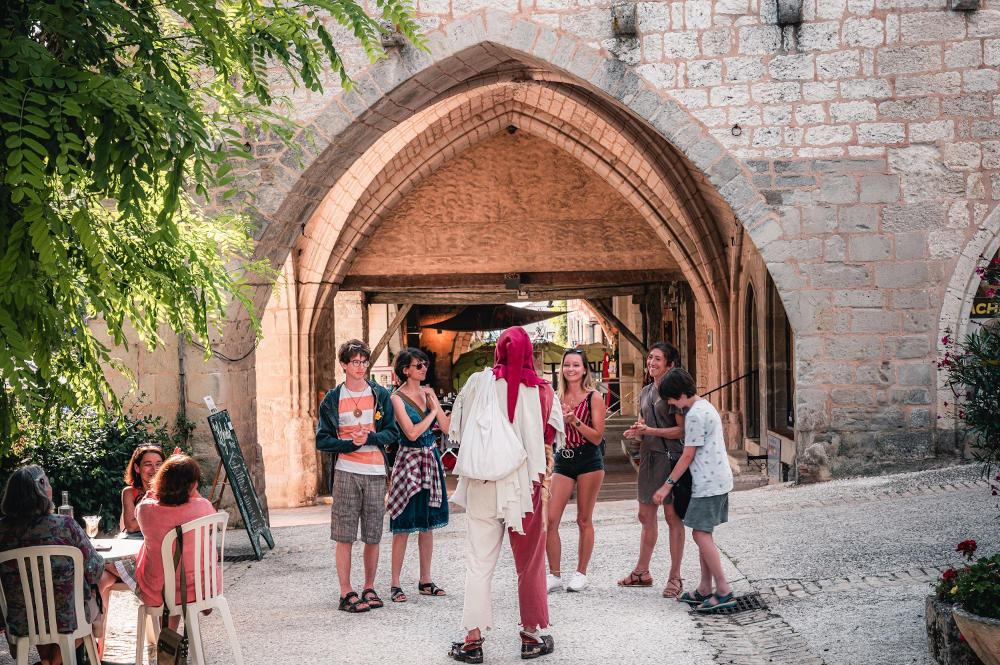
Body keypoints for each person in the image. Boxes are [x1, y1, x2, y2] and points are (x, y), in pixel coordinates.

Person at [447, 327, 564, 663]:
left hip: (484, 484)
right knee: (529, 565)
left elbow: (458, 432)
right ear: (530, 354)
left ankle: (473, 642)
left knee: (478, 563)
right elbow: (551, 439)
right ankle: (531, 637)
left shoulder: (476, 384)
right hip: (526, 489)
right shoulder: (544, 392)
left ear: (497, 351)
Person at [315, 339, 400, 613]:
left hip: (375, 472)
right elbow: (322, 441)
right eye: (355, 362)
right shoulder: (332, 399)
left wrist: (371, 437)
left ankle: (369, 587)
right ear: (344, 365)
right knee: (345, 534)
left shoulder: (380, 394)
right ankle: (346, 591)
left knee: (373, 534)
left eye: (364, 361)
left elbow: (393, 433)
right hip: (347, 472)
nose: (361, 366)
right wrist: (348, 444)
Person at [0, 465, 105, 665]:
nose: (51, 487)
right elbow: (94, 571)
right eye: (47, 482)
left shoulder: (2, 531)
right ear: (40, 488)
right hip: (65, 618)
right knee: (90, 599)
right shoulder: (65, 526)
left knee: (38, 603)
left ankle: (47, 661)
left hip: (20, 619)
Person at [653, 367, 736, 612]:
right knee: (703, 533)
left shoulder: (694, 416)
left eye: (669, 397)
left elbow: (687, 455)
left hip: (708, 484)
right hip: (717, 480)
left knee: (700, 536)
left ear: (678, 394)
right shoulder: (704, 406)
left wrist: (665, 486)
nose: (669, 403)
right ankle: (703, 588)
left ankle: (723, 589)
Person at [620, 342, 688, 598]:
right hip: (649, 459)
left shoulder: (676, 392)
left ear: (670, 365)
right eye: (650, 358)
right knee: (645, 517)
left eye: (658, 359)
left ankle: (675, 577)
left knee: (673, 518)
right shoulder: (646, 391)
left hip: (671, 459)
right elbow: (645, 424)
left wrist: (651, 431)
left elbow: (682, 431)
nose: (652, 363)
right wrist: (637, 431)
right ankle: (642, 572)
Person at [386, 347, 451, 603]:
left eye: (425, 364)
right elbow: (411, 433)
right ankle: (395, 583)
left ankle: (426, 580)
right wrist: (433, 412)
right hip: (409, 460)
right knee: (402, 524)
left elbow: (445, 428)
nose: (424, 368)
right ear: (405, 370)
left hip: (430, 459)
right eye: (418, 365)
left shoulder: (429, 393)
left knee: (427, 524)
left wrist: (434, 403)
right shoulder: (396, 398)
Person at [545, 348, 606, 593]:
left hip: (589, 459)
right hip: (563, 459)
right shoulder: (554, 397)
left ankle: (581, 573)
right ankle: (554, 575)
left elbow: (597, 437)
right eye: (567, 365)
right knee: (550, 520)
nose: (571, 369)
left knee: (583, 519)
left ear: (584, 370)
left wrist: (575, 422)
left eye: (576, 365)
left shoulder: (594, 397)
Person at [96, 443, 165, 655]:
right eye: (147, 465)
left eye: (158, 464)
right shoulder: (129, 492)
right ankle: (98, 644)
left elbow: (137, 524)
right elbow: (131, 525)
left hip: (148, 549)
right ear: (137, 468)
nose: (153, 469)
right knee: (99, 581)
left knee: (101, 568)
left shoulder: (167, 490)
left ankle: (93, 647)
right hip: (130, 546)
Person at [134, 454, 218, 618]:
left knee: (163, 568)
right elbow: (212, 522)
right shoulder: (203, 507)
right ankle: (199, 603)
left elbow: (147, 499)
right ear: (192, 485)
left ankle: (169, 633)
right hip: (202, 587)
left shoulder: (146, 510)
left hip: (160, 593)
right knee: (187, 559)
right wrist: (193, 492)